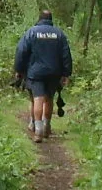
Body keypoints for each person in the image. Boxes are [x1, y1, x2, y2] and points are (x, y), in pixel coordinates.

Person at [14, 8, 73, 141]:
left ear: (39, 19)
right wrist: (66, 73)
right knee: (49, 99)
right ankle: (47, 126)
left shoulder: (31, 32)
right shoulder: (59, 34)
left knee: (38, 99)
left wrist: (19, 69)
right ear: (51, 20)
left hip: (36, 73)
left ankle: (38, 130)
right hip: (54, 73)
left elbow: (21, 51)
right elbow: (66, 55)